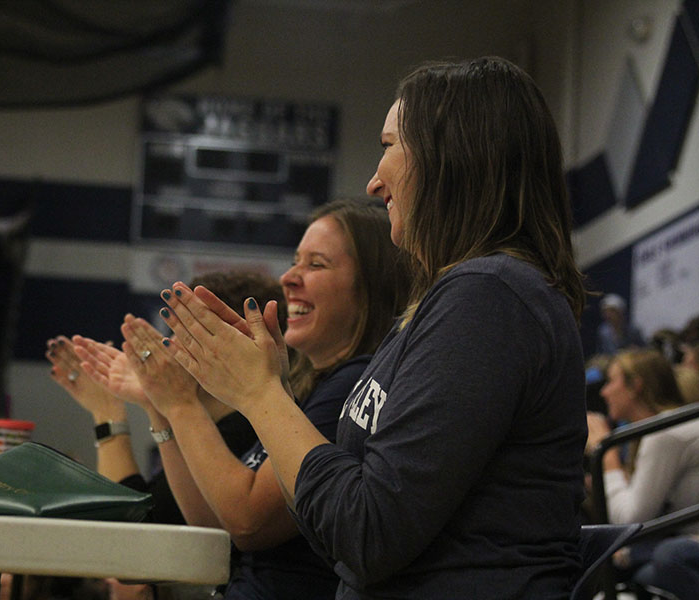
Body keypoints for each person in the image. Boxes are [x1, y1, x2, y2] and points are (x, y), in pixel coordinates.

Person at [154, 57, 588, 598]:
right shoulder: (455, 299)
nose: (375, 181)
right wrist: (258, 387)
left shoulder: (490, 295)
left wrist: (261, 394)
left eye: (388, 146)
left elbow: (367, 534)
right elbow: (335, 524)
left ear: (450, 156)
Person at [78, 199, 413, 600]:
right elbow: (210, 527)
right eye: (295, 261)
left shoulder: (353, 385)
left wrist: (180, 404)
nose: (289, 277)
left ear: (373, 285)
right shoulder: (310, 387)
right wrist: (163, 407)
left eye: (316, 264)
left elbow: (248, 523)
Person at [47, 270, 287, 600]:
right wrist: (155, 406)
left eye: (187, 332)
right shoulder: (216, 425)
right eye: (174, 332)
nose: (172, 347)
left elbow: (138, 541)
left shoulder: (241, 430)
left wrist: (109, 413)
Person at [586, 350, 698, 531]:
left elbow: (629, 521)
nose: (603, 392)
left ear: (635, 386)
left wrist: (609, 458)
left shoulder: (663, 433)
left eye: (611, 381)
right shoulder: (657, 429)